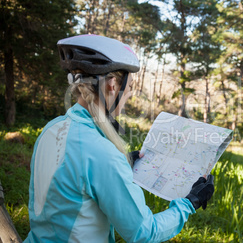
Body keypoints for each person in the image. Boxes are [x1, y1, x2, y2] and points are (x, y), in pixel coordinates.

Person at [24, 35, 215, 243]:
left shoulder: (51, 129)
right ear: (113, 84)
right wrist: (190, 203)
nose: (129, 95)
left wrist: (121, 164)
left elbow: (68, 185)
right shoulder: (102, 153)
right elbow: (143, 232)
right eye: (130, 87)